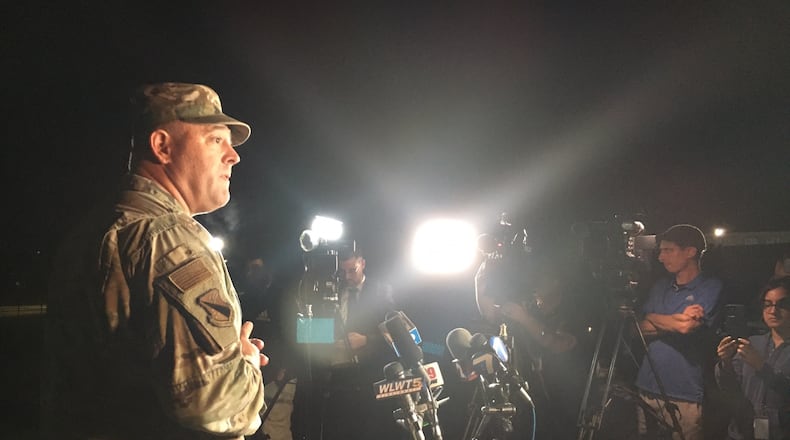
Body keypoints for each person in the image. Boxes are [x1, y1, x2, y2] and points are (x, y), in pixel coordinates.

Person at [42, 83, 268, 439]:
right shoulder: (167, 239)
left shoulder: (98, 227)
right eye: (215, 140)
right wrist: (247, 367)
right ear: (163, 146)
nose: (233, 156)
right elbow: (210, 400)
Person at [475, 252, 597, 439]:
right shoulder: (530, 306)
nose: (534, 281)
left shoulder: (572, 313)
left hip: (566, 395)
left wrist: (524, 318)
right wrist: (482, 277)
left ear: (557, 281)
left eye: (541, 276)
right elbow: (490, 314)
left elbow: (559, 344)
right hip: (531, 392)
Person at [635, 224, 723, 440]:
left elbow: (687, 327)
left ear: (690, 251)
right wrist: (674, 321)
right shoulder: (660, 287)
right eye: (661, 251)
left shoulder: (711, 287)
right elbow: (637, 329)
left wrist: (654, 319)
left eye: (668, 250)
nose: (661, 257)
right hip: (647, 387)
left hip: (685, 394)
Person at [318, 246, 400, 440]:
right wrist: (330, 341)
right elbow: (316, 331)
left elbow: (396, 335)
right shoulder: (332, 292)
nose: (347, 276)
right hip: (339, 377)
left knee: (371, 431)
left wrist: (365, 340)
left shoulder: (382, 291)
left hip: (371, 375)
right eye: (342, 271)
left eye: (352, 270)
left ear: (362, 263)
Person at [715, 276, 790, 439]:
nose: (773, 311)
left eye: (782, 304)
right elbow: (729, 389)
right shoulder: (752, 344)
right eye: (768, 304)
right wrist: (725, 362)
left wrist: (762, 367)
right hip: (743, 432)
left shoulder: (752, 350)